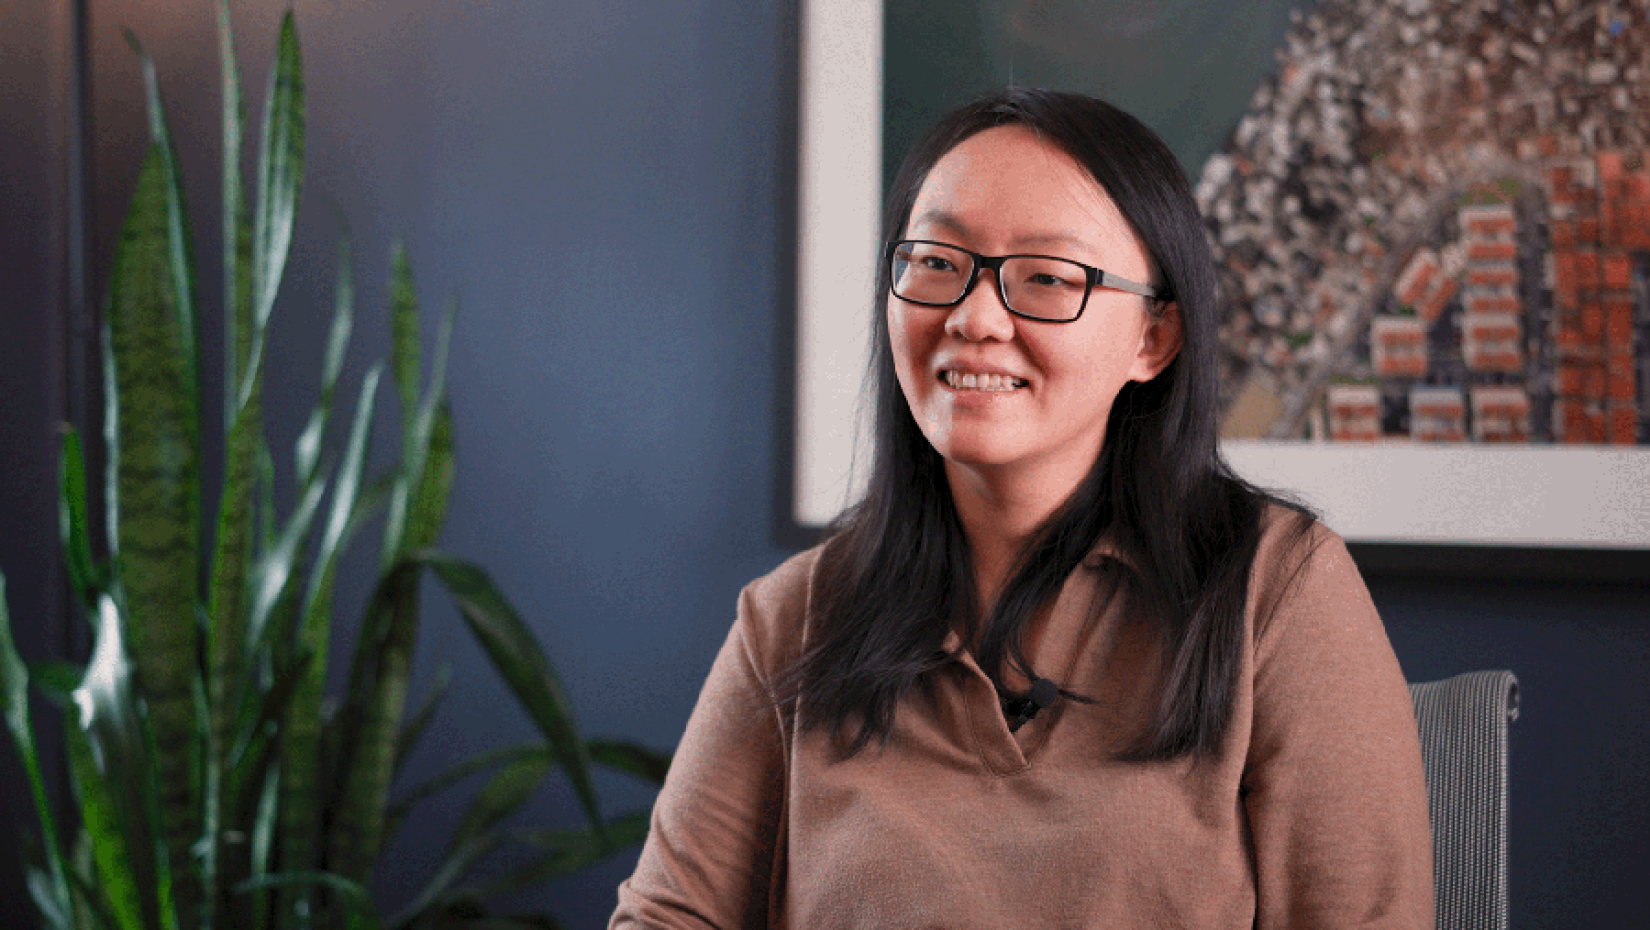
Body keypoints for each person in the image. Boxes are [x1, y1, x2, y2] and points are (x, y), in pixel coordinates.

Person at [610, 87, 1433, 928]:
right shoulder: (796, 616)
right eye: (936, 262)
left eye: (1045, 277)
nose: (973, 318)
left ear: (1154, 338)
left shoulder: (1273, 592)